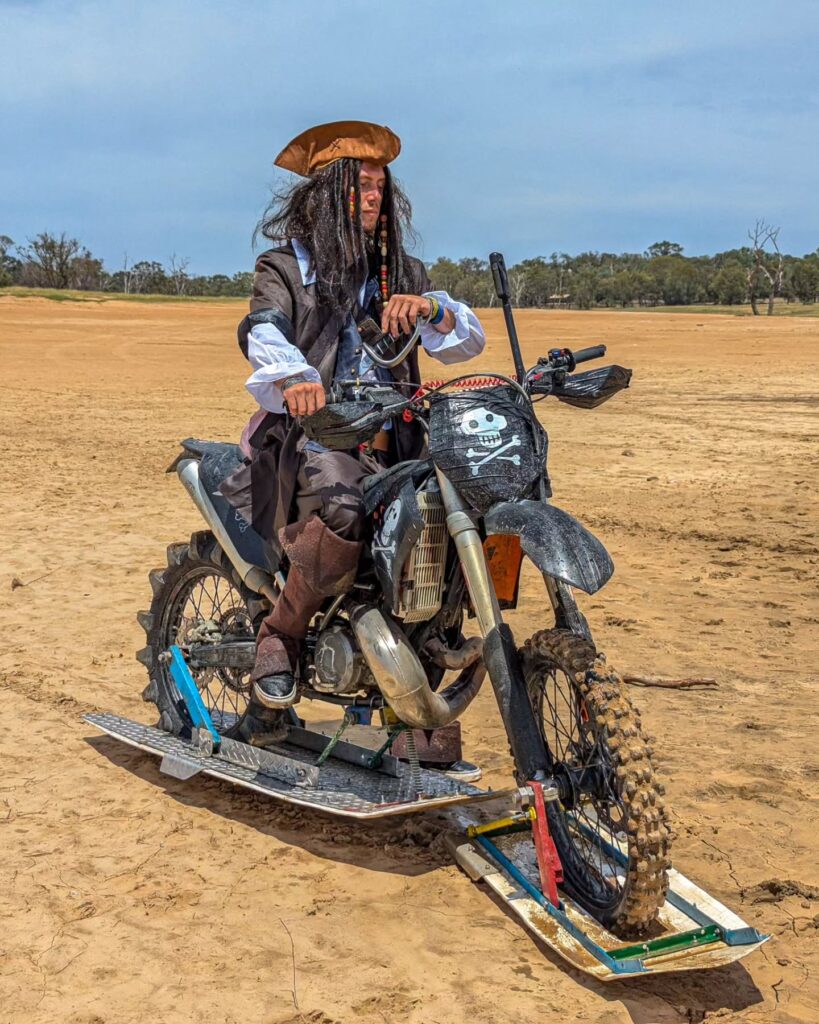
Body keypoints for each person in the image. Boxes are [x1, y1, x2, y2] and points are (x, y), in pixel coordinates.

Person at [225, 120, 486, 750]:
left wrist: (431, 308)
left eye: (378, 186)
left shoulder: (404, 272)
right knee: (343, 510)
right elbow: (261, 330)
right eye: (358, 186)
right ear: (326, 197)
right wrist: (294, 378)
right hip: (312, 439)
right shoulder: (285, 267)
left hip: (394, 444)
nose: (372, 197)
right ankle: (280, 634)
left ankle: (417, 681)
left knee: (455, 514)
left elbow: (465, 339)